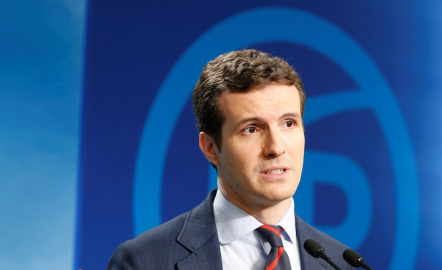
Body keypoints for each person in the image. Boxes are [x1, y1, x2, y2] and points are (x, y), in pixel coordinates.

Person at [106, 49, 354, 269]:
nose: (276, 148)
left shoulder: (340, 262)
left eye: (288, 123)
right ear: (211, 147)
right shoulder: (143, 261)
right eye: (251, 129)